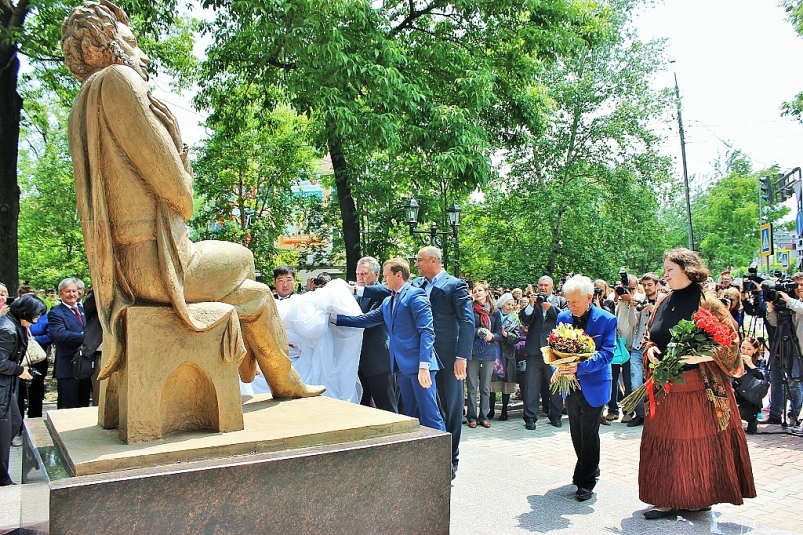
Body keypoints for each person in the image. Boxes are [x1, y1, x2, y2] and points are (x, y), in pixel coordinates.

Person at [61, 1, 323, 401]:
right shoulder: (119, 81)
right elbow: (181, 197)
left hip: (124, 271)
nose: (142, 54)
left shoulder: (81, 105)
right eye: (132, 41)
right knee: (245, 259)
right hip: (160, 265)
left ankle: (280, 377)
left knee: (255, 295)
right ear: (106, 42)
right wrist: (181, 160)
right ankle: (257, 362)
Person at [639, 248, 755, 519]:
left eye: (669, 270)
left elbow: (731, 344)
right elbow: (649, 336)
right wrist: (650, 349)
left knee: (695, 445)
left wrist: (703, 354)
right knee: (666, 443)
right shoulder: (662, 302)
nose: (664, 275)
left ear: (687, 270)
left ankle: (698, 498)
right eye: (664, 270)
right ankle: (665, 499)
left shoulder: (710, 303)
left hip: (699, 389)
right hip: (665, 387)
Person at [335, 258, 445, 433]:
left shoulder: (415, 295)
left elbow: (427, 332)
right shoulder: (388, 301)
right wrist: (334, 319)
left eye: (386, 276)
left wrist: (424, 366)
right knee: (411, 414)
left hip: (420, 366)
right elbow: (365, 320)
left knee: (430, 414)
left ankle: (442, 459)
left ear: (398, 275)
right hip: (401, 367)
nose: (384, 280)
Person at [411, 246, 472, 479]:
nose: (416, 264)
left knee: (451, 406)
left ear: (433, 261)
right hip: (421, 356)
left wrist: (461, 357)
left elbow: (467, 322)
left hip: (447, 357)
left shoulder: (454, 285)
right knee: (424, 404)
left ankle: (451, 457)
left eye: (419, 260)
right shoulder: (416, 285)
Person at [554, 275, 616, 502]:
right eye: (568, 301)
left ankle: (585, 480)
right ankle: (590, 467)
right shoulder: (562, 317)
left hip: (594, 383)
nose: (571, 306)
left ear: (589, 297)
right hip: (569, 385)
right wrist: (558, 367)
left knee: (589, 433)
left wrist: (578, 367)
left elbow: (607, 353)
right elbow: (555, 348)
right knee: (576, 432)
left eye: (575, 302)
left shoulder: (606, 320)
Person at [0, 295, 46, 485]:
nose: (37, 319)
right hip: (3, 384)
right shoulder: (7, 330)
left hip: (6, 386)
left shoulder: (14, 325)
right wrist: (20, 370)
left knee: (14, 423)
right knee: (3, 430)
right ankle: (2, 478)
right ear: (25, 311)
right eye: (36, 315)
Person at [519, 276, 566, 430]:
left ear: (552, 287)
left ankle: (555, 416)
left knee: (554, 385)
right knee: (531, 386)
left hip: (553, 350)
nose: (543, 288)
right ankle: (530, 418)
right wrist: (531, 305)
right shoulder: (534, 301)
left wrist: (549, 308)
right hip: (534, 350)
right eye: (540, 285)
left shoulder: (559, 301)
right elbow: (524, 320)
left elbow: (565, 318)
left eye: (546, 285)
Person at [354, 257, 397, 413]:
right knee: (362, 407)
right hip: (357, 361)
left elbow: (367, 321)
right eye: (358, 273)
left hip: (378, 361)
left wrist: (337, 320)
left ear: (376, 273)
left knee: (387, 407)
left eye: (364, 273)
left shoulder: (385, 293)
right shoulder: (355, 295)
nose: (360, 277)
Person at [764, 273, 803, 429]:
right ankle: (779, 414)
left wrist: (788, 300)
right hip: (792, 347)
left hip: (798, 348)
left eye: (802, 285)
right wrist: (770, 306)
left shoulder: (794, 303)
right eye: (797, 285)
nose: (800, 288)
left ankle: (795, 416)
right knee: (790, 381)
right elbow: (774, 322)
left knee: (796, 382)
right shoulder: (792, 303)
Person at [48, 278, 91, 409]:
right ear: (60, 293)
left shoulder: (84, 310)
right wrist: (86, 338)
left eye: (74, 291)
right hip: (67, 367)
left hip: (85, 365)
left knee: (83, 404)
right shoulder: (56, 313)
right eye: (68, 291)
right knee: (67, 406)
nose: (72, 294)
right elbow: (60, 335)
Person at [626, 272, 660, 427]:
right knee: (635, 383)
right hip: (638, 346)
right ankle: (640, 414)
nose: (647, 288)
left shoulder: (663, 300)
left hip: (656, 347)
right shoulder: (639, 300)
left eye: (650, 285)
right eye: (644, 285)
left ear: (657, 285)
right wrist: (633, 309)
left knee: (657, 382)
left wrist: (651, 309)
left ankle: (658, 414)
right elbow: (632, 323)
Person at [466, 282, 502, 429]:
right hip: (473, 352)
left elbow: (499, 333)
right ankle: (472, 417)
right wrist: (479, 332)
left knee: (485, 387)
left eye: (480, 290)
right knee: (472, 387)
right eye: (475, 291)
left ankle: (484, 416)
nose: (477, 293)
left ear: (487, 292)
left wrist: (491, 336)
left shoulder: (495, 312)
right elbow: (466, 329)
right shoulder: (470, 309)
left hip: (489, 352)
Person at [15, 287, 50, 419]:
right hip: (19, 359)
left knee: (36, 390)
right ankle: (18, 421)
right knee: (19, 391)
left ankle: (35, 418)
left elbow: (50, 335)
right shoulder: (14, 319)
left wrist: (34, 340)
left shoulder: (43, 316)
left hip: (37, 358)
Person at [489, 293, 520, 421]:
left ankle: (504, 411)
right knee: (491, 382)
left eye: (512, 304)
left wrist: (506, 335)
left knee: (506, 383)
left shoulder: (514, 319)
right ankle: (490, 410)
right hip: (494, 353)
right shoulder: (494, 316)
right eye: (508, 304)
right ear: (502, 304)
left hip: (507, 354)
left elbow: (517, 337)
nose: (510, 307)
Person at [734, 337, 766, 435]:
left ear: (755, 350)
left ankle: (753, 418)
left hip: (751, 397)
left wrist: (751, 365)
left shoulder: (760, 361)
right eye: (743, 348)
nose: (745, 351)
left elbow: (765, 378)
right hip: (737, 393)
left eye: (749, 349)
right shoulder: (735, 360)